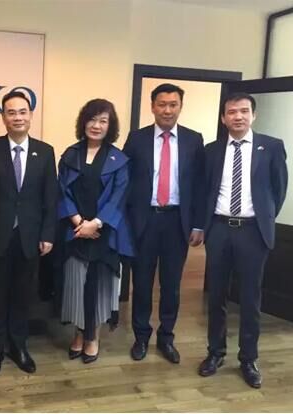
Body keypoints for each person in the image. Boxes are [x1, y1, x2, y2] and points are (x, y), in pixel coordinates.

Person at [198, 93, 288, 388]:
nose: (238, 116)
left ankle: (248, 358)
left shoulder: (271, 147)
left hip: (252, 231)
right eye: (232, 112)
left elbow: (278, 190)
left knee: (250, 298)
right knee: (216, 295)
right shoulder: (211, 150)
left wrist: (263, 219)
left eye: (244, 111)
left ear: (253, 115)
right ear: (223, 118)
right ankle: (215, 352)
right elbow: (205, 190)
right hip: (219, 229)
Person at [0, 90, 57, 377]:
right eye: (11, 112)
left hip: (30, 237)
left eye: (22, 112)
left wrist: (48, 234)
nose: (17, 117)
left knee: (23, 296)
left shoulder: (45, 152)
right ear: (3, 117)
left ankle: (19, 346)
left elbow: (50, 198)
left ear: (30, 115)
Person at [123, 83, 204, 363]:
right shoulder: (137, 138)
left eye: (173, 104)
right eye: (162, 104)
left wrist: (198, 224)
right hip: (144, 221)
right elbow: (125, 181)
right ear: (152, 107)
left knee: (171, 285)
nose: (167, 110)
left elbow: (200, 185)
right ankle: (141, 337)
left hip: (176, 222)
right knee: (142, 283)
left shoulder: (194, 140)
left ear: (180, 107)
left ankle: (166, 337)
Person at [57, 99, 134, 363]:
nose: (96, 125)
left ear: (110, 126)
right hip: (76, 231)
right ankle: (79, 333)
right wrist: (79, 221)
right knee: (76, 283)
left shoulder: (119, 160)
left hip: (105, 233)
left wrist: (97, 223)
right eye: (92, 119)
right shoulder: (70, 155)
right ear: (84, 122)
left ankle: (93, 336)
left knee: (101, 286)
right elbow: (61, 191)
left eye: (103, 121)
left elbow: (120, 196)